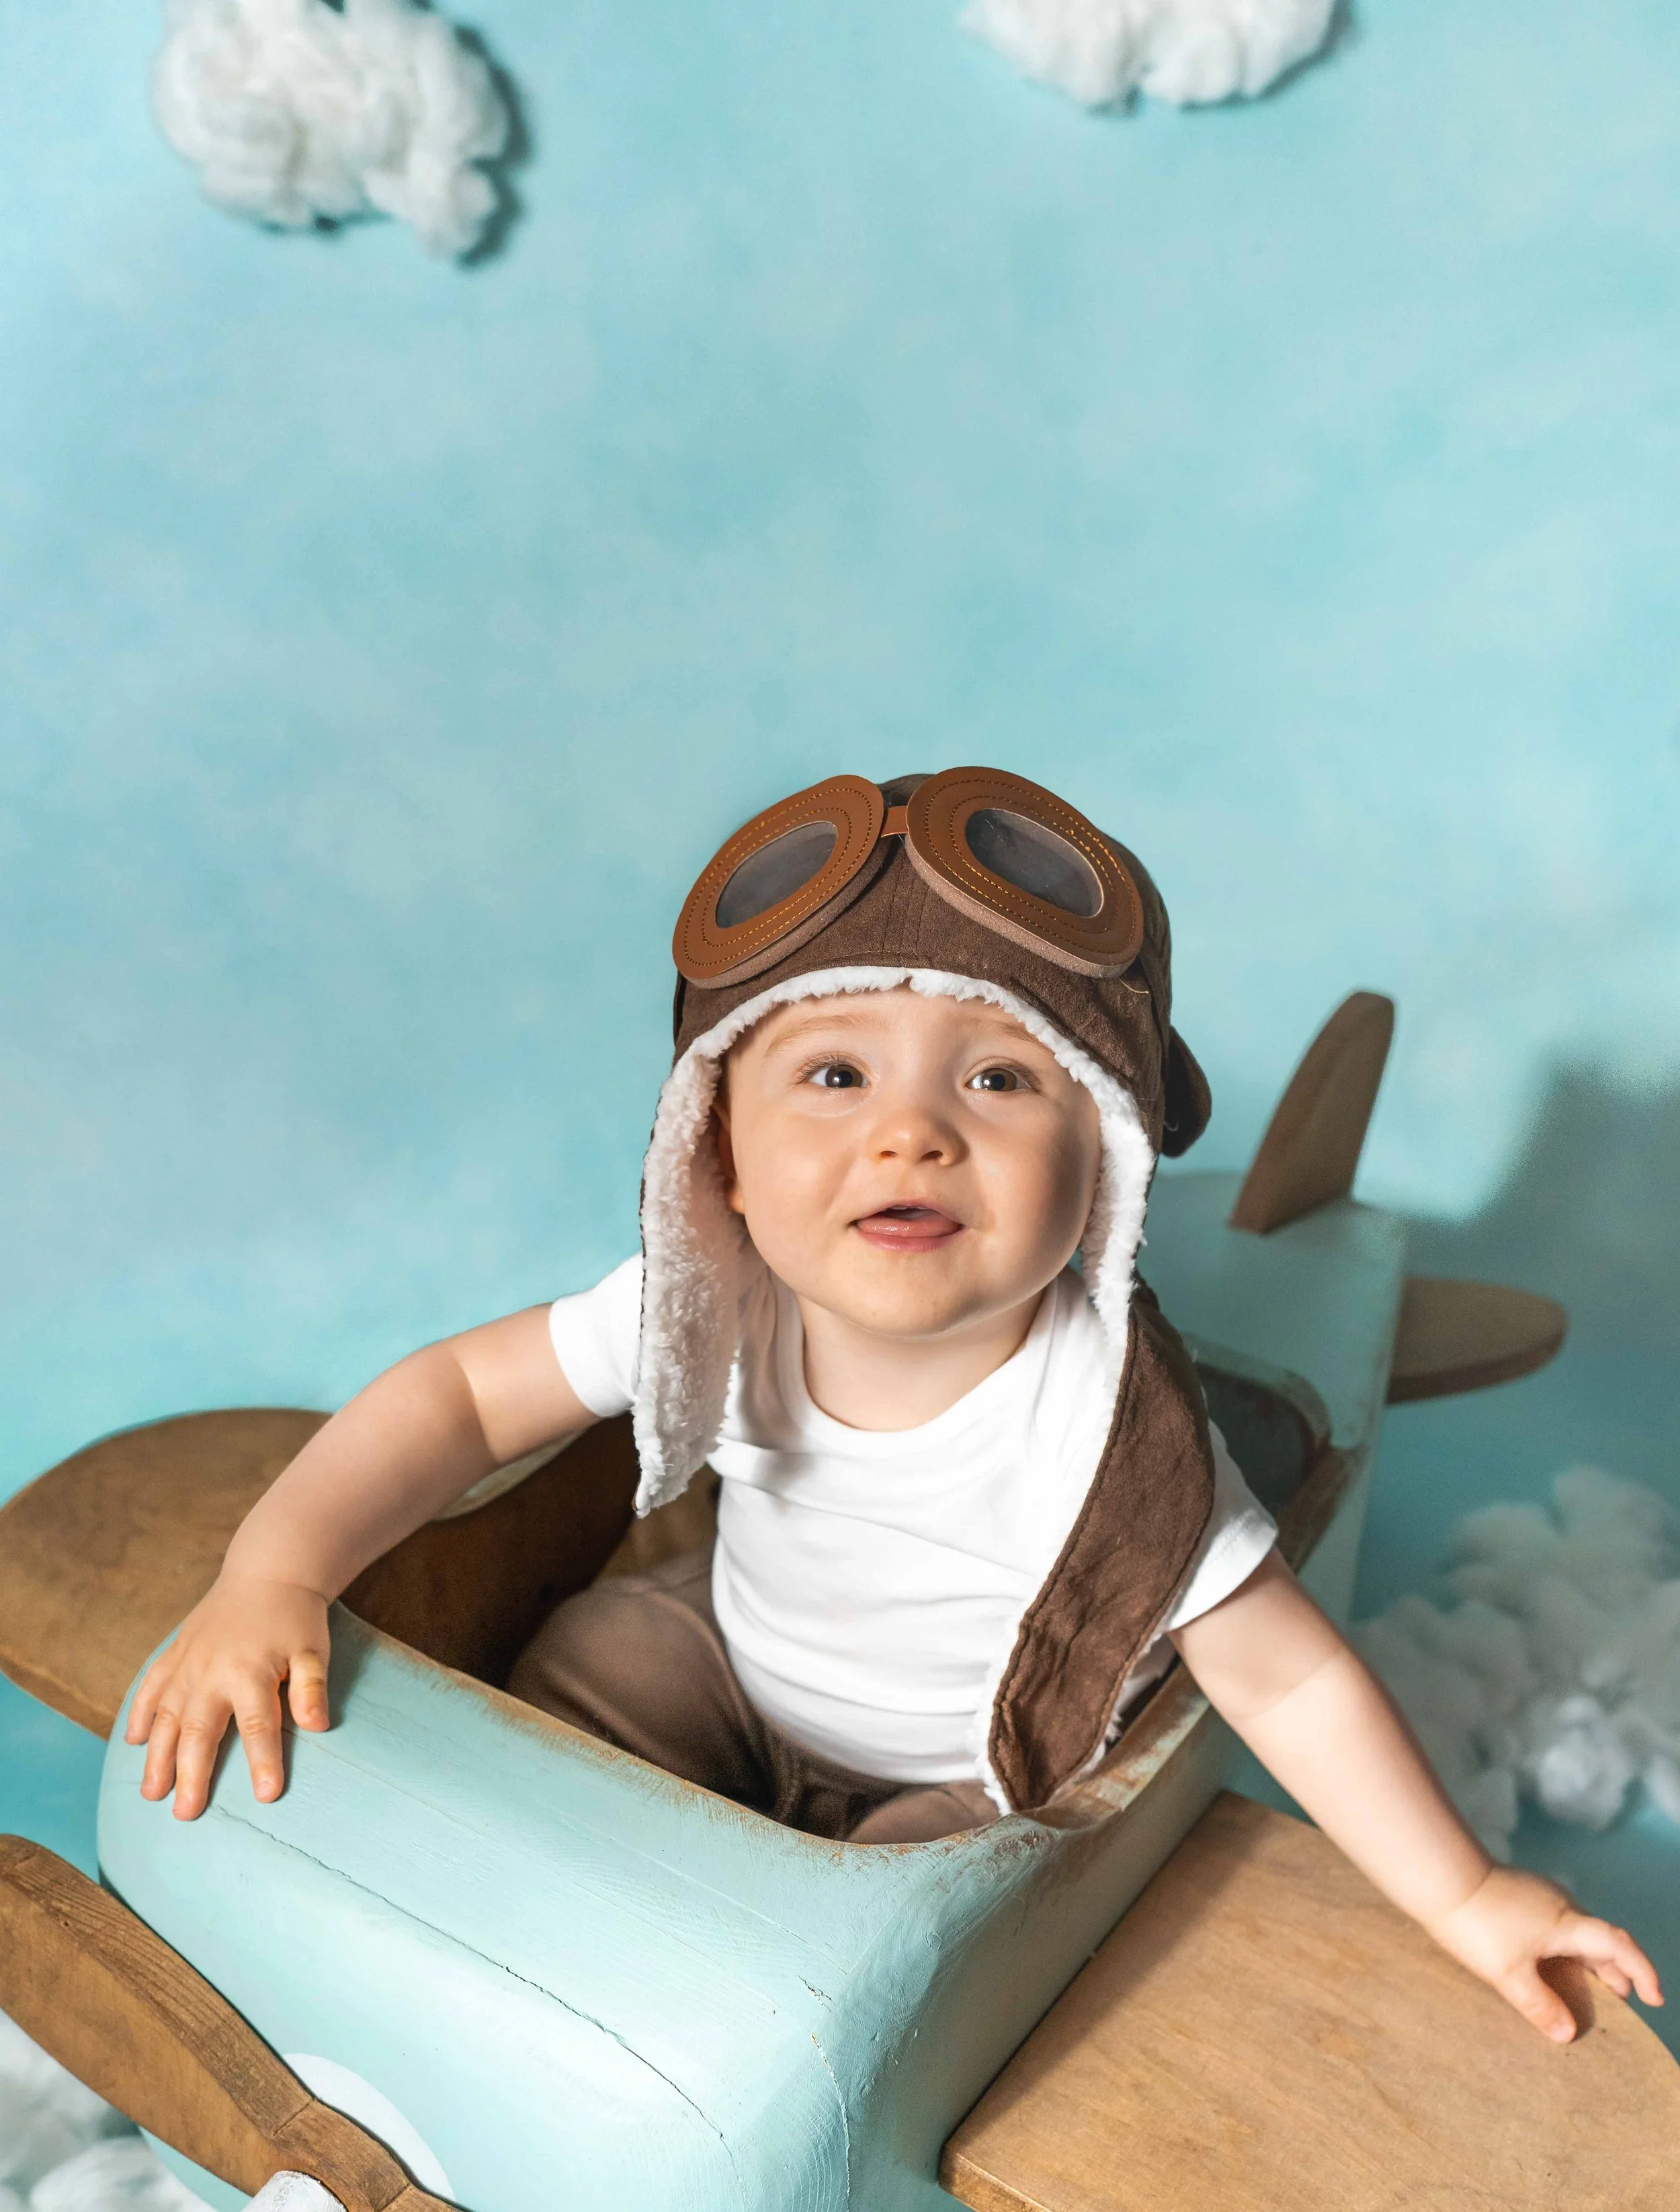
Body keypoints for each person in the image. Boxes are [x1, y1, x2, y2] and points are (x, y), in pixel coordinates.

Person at [126, 767, 1661, 2047]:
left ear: (1105, 1168)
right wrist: (276, 1575)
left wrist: (1466, 1898)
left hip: (961, 1776)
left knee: (900, 1938)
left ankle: (723, 2008)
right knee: (595, 1654)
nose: (911, 1133)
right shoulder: (708, 1306)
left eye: (998, 1082)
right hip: (736, 1675)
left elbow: (1286, 1682)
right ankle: (504, 1936)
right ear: (715, 1152)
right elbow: (461, 1400)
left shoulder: (1106, 1436)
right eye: (834, 1076)